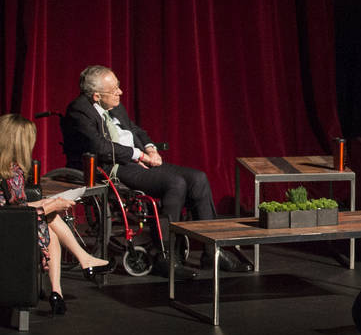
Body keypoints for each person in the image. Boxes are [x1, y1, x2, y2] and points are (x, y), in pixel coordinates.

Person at [61, 64, 250, 275]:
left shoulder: (114, 105)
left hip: (138, 159)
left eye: (119, 86)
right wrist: (138, 155)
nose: (120, 92)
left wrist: (150, 148)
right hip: (113, 167)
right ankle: (166, 257)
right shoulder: (79, 111)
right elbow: (100, 146)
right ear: (96, 96)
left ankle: (211, 252)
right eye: (114, 90)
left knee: (198, 178)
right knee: (174, 183)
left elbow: (135, 130)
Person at [0, 113, 113, 316]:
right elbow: (16, 214)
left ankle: (59, 289)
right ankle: (77, 268)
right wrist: (50, 207)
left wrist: (46, 203)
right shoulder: (10, 172)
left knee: (49, 217)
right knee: (49, 220)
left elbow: (10, 207)